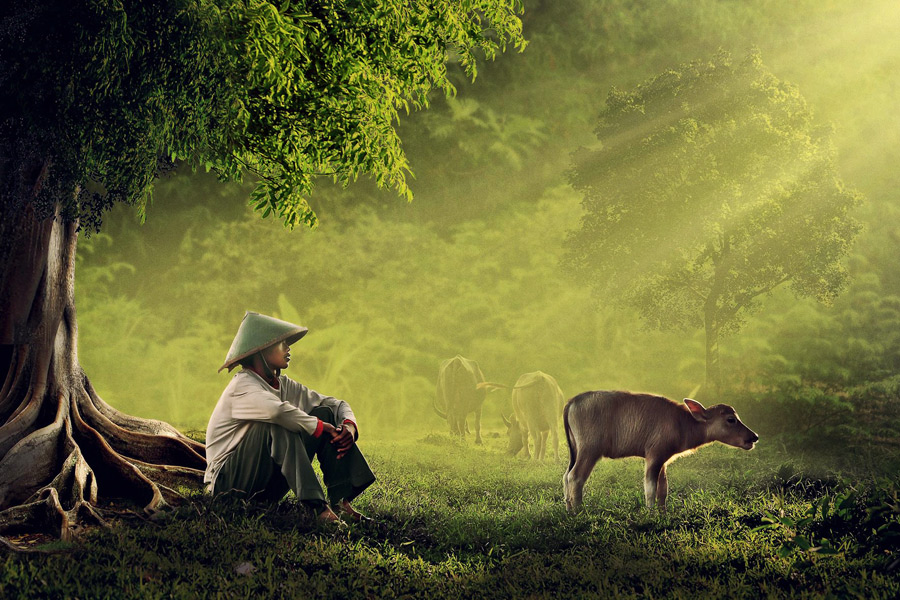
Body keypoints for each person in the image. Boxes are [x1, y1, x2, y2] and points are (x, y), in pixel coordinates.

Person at [204, 311, 376, 523]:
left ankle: (341, 502)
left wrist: (348, 426)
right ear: (261, 350)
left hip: (264, 488)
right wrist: (321, 427)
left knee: (325, 413)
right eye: (281, 343)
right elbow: (276, 412)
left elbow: (334, 403)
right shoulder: (242, 386)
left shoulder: (284, 385)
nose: (288, 348)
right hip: (228, 488)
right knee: (278, 424)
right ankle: (318, 509)